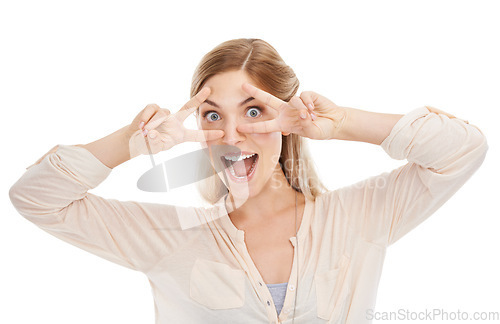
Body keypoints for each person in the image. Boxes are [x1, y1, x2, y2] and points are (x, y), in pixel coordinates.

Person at [9, 38, 488, 324]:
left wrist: (340, 123)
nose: (232, 135)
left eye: (254, 111)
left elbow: (462, 150)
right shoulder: (168, 237)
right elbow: (35, 198)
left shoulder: (360, 216)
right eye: (212, 115)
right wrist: (130, 143)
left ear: (287, 119)